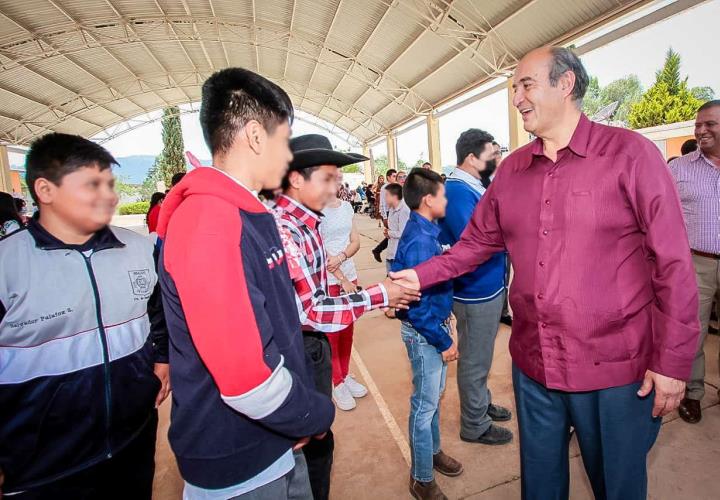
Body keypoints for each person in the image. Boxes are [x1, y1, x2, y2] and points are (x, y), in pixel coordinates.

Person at [390, 46, 699, 500]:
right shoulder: (513, 170)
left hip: (614, 368)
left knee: (617, 485)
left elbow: (673, 264)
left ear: (566, 83)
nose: (517, 97)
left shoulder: (631, 155)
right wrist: (421, 275)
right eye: (516, 88)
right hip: (534, 364)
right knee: (540, 484)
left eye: (526, 84)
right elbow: (476, 243)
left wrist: (672, 362)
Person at [157, 68, 334, 500]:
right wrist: (313, 413)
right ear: (256, 136)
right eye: (284, 139)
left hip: (271, 437)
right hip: (236, 457)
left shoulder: (245, 212)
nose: (288, 156)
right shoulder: (210, 222)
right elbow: (246, 380)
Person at [0, 133, 170, 499]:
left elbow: (157, 313)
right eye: (92, 184)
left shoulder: (139, 250)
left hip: (131, 443)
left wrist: (161, 358)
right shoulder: (6, 264)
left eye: (110, 184)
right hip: (40, 466)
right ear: (45, 190)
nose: (109, 196)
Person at [274, 134, 420, 500]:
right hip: (296, 350)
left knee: (320, 447)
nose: (339, 184)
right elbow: (314, 308)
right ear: (296, 179)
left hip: (310, 347)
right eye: (330, 176)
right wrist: (382, 293)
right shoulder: (283, 228)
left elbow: (320, 274)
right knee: (308, 455)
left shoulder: (307, 224)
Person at [391, 168, 463, 500]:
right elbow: (417, 308)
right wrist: (444, 339)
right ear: (428, 200)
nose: (447, 200)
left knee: (433, 401)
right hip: (424, 334)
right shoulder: (421, 240)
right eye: (443, 194)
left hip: (432, 325)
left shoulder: (427, 231)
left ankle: (431, 453)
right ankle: (421, 478)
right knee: (424, 405)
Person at [440, 129, 512, 446]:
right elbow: (477, 241)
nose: (496, 160)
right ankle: (474, 424)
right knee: (474, 359)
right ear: (472, 158)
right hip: (473, 291)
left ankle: (480, 403)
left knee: (481, 356)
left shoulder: (473, 187)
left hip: (486, 286)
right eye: (491, 155)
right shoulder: (457, 191)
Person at [668, 100, 720, 424]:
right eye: (698, 125)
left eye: (710, 124)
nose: (701, 130)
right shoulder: (679, 168)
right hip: (695, 262)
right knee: (694, 332)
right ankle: (693, 393)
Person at [321, 171, 367, 411]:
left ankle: (346, 374)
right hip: (329, 280)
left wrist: (342, 257)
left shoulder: (347, 207)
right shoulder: (315, 209)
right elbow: (319, 250)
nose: (338, 182)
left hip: (349, 272)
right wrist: (340, 279)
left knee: (348, 329)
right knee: (332, 332)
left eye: (339, 178)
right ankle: (336, 381)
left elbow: (355, 241)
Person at [372, 169, 397, 262]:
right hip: (387, 213)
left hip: (394, 213)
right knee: (392, 235)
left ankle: (377, 250)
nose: (395, 178)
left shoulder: (396, 186)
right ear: (388, 177)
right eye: (394, 176)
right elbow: (382, 203)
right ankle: (378, 250)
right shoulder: (385, 188)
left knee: (393, 235)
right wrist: (385, 217)